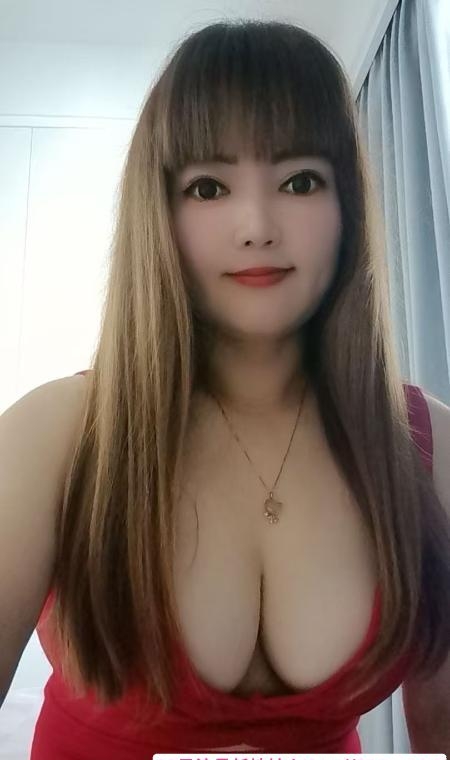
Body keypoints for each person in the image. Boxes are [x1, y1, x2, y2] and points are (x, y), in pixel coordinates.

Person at [1, 19, 449, 758]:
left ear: (348, 206)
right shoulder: (52, 436)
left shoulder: (428, 448)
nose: (257, 226)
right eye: (207, 187)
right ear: (159, 213)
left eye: (300, 181)